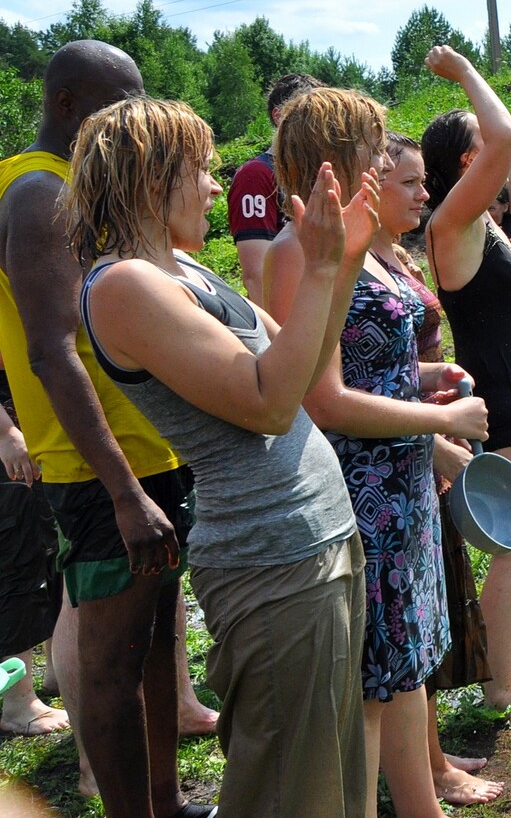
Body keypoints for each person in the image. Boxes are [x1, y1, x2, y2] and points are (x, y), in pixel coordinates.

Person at [70, 96, 377, 815]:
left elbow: (300, 369)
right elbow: (269, 404)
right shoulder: (124, 286)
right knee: (286, 791)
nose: (217, 187)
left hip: (315, 541)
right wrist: (320, 268)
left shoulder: (182, 268)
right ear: (154, 179)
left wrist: (344, 260)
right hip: (272, 561)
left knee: (326, 773)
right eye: (202, 170)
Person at [263, 89, 491, 818]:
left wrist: (426, 377)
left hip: (400, 477)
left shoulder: (356, 238)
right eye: (370, 145)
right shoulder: (299, 250)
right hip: (362, 484)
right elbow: (322, 399)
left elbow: (369, 363)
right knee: (375, 675)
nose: (381, 156)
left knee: (403, 659)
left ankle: (423, 804)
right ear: (337, 155)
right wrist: (439, 420)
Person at [0, 41, 212, 818]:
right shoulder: (38, 193)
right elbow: (52, 351)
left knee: (156, 641)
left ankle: (165, 802)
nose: (134, 120)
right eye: (120, 105)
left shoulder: (76, 188)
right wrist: (124, 492)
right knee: (111, 664)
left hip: (146, 454)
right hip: (101, 472)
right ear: (66, 105)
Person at [420, 46, 511, 712]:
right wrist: (467, 72)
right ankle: (502, 687)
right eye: (482, 150)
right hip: (503, 398)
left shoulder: (476, 224)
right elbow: (506, 134)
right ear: (468, 161)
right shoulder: (448, 222)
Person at [373, 133, 502, 807]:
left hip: (419, 448)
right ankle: (423, 776)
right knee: (401, 637)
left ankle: (428, 758)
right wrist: (433, 439)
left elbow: (394, 368)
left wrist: (434, 381)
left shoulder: (389, 254)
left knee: (421, 625)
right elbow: (343, 391)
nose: (424, 194)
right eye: (410, 182)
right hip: (396, 463)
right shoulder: (343, 263)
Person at [0, 368, 63, 740]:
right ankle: (18, 702)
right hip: (10, 436)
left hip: (34, 423)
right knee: (17, 562)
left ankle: (57, 671)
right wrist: (5, 432)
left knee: (53, 550)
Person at [230, 71, 324, 303]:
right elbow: (256, 274)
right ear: (278, 115)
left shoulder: (317, 173)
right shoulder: (256, 175)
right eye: (305, 112)